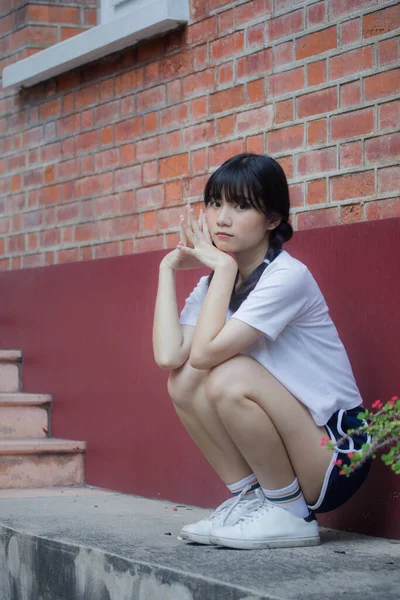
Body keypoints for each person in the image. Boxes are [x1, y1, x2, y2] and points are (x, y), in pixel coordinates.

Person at [152, 153, 371, 550]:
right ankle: (252, 500)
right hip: (300, 444)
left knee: (225, 374)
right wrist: (167, 270)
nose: (221, 219)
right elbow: (172, 357)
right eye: (215, 203)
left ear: (272, 219)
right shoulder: (219, 282)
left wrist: (221, 269)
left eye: (240, 206)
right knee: (183, 382)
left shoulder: (286, 276)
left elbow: (205, 355)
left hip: (338, 453)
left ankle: (291, 515)